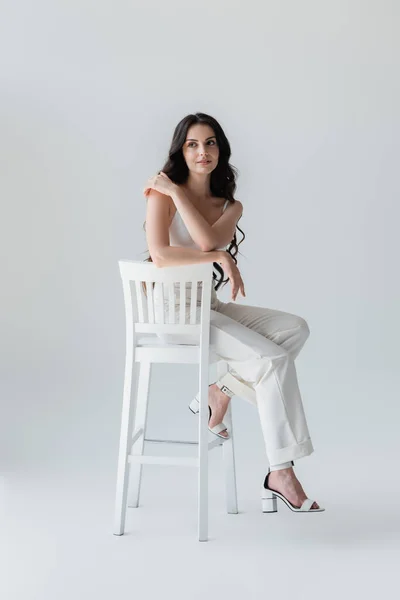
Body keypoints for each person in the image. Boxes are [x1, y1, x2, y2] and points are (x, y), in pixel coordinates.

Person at [143, 112, 324, 513]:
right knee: (272, 360)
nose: (201, 152)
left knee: (293, 330)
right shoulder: (160, 192)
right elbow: (160, 254)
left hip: (208, 306)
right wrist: (174, 194)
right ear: (181, 150)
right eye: (192, 144)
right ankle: (281, 471)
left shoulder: (230, 205)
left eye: (209, 143)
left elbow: (208, 241)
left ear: (220, 150)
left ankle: (220, 390)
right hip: (173, 313)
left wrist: (182, 199)